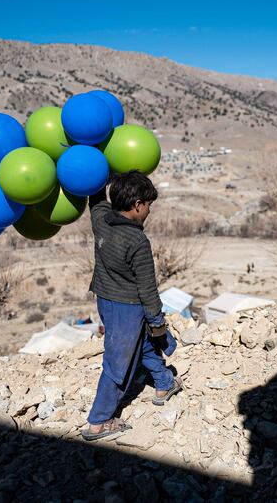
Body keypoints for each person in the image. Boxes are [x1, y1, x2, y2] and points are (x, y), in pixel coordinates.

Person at [81, 171, 182, 441]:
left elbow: (95, 199)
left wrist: (100, 173)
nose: (149, 211)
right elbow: (147, 288)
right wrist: (157, 321)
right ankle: (99, 421)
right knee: (119, 361)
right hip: (128, 307)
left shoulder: (101, 221)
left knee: (144, 344)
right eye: (148, 205)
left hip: (105, 300)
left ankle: (164, 383)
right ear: (138, 205)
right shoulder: (138, 241)